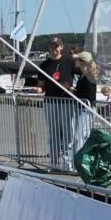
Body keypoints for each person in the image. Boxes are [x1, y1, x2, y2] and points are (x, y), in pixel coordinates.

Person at [33, 37, 77, 171]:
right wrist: (38, 89)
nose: (54, 49)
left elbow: (83, 73)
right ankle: (53, 162)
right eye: (52, 46)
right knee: (53, 133)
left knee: (68, 133)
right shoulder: (44, 65)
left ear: (61, 47)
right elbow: (41, 85)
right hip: (50, 101)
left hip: (66, 101)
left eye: (56, 46)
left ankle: (68, 163)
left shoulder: (69, 62)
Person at [71, 50, 99, 155]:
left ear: (83, 62)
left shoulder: (89, 76)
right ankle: (80, 158)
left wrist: (74, 92)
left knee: (80, 136)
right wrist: (74, 91)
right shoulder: (83, 75)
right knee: (81, 136)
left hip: (86, 109)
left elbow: (90, 96)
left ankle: (79, 159)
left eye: (78, 60)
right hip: (82, 108)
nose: (75, 61)